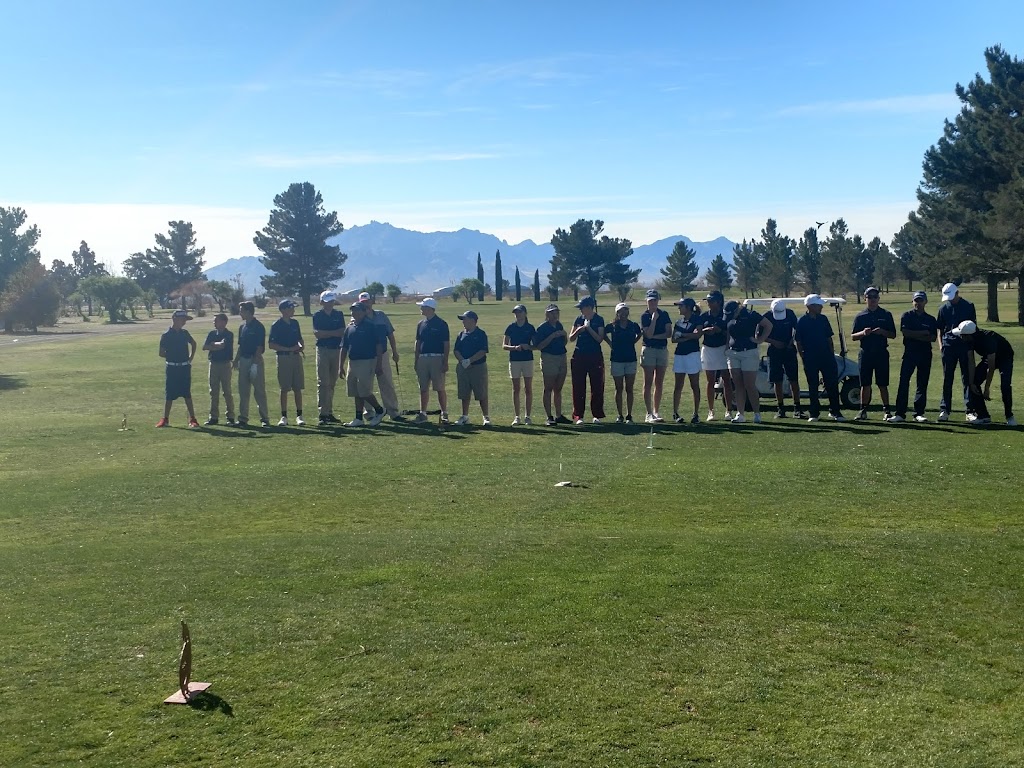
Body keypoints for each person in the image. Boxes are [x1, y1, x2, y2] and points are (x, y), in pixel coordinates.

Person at [952, 320, 1016, 426]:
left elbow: (991, 368)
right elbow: (971, 362)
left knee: (1005, 386)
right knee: (972, 382)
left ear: (969, 335)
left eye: (962, 335)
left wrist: (987, 389)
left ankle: (1010, 416)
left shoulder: (987, 340)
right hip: (989, 358)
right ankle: (983, 416)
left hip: (1005, 358)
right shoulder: (968, 341)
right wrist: (972, 383)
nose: (960, 337)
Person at [888, 291, 937, 423]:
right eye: (916, 300)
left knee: (922, 383)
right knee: (903, 382)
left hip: (925, 354)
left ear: (925, 302)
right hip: (910, 353)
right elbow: (906, 333)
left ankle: (918, 413)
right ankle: (900, 413)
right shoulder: (907, 316)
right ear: (912, 301)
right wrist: (923, 334)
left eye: (920, 300)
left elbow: (932, 337)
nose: (918, 303)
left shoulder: (931, 319)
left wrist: (919, 335)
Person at [795, 294, 845, 422]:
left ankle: (835, 411)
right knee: (813, 385)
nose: (821, 307)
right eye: (818, 305)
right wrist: (803, 357)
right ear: (810, 306)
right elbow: (798, 342)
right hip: (810, 357)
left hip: (826, 356)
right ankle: (814, 413)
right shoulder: (802, 321)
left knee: (832, 384)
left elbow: (829, 339)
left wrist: (831, 355)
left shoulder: (823, 319)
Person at [851, 286, 896, 420]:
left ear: (878, 299)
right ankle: (863, 410)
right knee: (865, 384)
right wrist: (863, 333)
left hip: (881, 353)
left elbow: (893, 334)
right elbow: (853, 336)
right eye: (869, 297)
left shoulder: (886, 314)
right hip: (866, 353)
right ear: (865, 299)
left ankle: (887, 410)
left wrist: (882, 332)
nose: (872, 300)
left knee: (883, 383)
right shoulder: (860, 316)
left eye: (875, 297)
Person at [724, 300, 773, 424]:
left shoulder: (751, 314)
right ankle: (740, 414)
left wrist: (760, 340)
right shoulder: (730, 318)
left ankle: (757, 413)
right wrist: (726, 346)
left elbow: (768, 325)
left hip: (749, 352)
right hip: (733, 352)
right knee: (738, 384)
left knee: (749, 385)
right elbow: (728, 332)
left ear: (737, 310)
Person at [338, 302, 386, 426]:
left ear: (364, 312)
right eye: (353, 310)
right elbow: (344, 347)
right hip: (352, 362)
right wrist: (340, 366)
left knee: (364, 391)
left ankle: (380, 410)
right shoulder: (349, 328)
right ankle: (358, 418)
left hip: (367, 361)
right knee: (355, 391)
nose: (355, 313)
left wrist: (379, 364)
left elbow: (379, 346)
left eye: (358, 310)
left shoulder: (371, 326)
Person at [936, 282, 976, 422]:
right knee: (948, 378)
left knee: (967, 378)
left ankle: (970, 410)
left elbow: (972, 328)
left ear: (957, 293)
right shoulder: (943, 308)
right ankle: (945, 409)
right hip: (948, 346)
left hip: (964, 346)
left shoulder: (968, 306)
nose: (950, 299)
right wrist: (941, 345)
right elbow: (940, 329)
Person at [358, 291, 401, 420]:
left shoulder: (381, 316)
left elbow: (390, 335)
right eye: (363, 303)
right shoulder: (358, 317)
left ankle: (392, 411)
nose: (366, 304)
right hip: (366, 356)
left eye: (367, 301)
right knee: (366, 385)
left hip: (382, 354)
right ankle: (369, 413)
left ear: (371, 301)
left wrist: (394, 351)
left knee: (386, 382)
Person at [156, 309, 199, 428]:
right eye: (182, 319)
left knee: (187, 393)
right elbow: (161, 352)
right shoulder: (166, 335)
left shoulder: (185, 333)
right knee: (169, 394)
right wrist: (172, 356)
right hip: (172, 367)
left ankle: (193, 419)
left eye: (185, 320)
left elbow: (194, 344)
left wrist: (190, 357)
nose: (184, 322)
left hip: (184, 367)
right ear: (175, 319)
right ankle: (165, 419)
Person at [764, 299, 805, 419]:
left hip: (789, 350)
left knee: (793, 379)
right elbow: (759, 335)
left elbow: (797, 330)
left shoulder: (790, 314)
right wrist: (774, 342)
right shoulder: (766, 316)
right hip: (774, 351)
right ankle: (780, 408)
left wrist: (791, 342)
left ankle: (797, 408)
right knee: (777, 380)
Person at [568, 296, 606, 424]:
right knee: (578, 386)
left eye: (582, 308)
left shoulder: (599, 320)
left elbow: (599, 339)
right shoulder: (579, 319)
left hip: (595, 355)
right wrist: (579, 330)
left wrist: (589, 328)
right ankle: (578, 415)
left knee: (597, 386)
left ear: (589, 307)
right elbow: (571, 338)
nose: (580, 310)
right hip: (579, 355)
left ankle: (597, 415)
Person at [268, 299, 305, 426]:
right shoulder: (276, 325)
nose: (293, 310)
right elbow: (271, 345)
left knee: (297, 387)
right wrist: (288, 349)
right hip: (283, 358)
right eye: (290, 308)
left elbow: (300, 339)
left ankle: (299, 415)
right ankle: (284, 416)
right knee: (284, 388)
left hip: (296, 357)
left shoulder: (295, 323)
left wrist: (301, 346)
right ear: (283, 310)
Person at [413, 297, 450, 424]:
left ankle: (444, 413)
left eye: (423, 307)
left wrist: (445, 361)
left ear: (430, 308)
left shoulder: (441, 324)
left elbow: (446, 344)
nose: (421, 309)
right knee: (423, 388)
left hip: (437, 357)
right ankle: (422, 413)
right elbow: (418, 342)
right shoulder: (420, 324)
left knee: (439, 387)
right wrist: (416, 358)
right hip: (423, 358)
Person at [312, 290, 346, 426]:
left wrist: (328, 334)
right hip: (323, 350)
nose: (329, 304)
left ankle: (329, 412)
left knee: (332, 382)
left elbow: (342, 332)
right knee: (323, 382)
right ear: (322, 302)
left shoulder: (338, 314)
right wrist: (333, 333)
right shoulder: (317, 315)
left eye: (331, 301)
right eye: (327, 301)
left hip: (336, 350)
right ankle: (323, 413)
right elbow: (318, 334)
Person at [234, 300, 270, 427]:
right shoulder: (242, 327)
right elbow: (240, 346)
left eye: (242, 311)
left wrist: (255, 364)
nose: (240, 313)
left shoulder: (258, 327)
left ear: (248, 312)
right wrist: (236, 360)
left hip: (255, 360)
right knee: (243, 390)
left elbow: (259, 347)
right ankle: (243, 418)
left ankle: (264, 418)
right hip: (244, 360)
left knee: (259, 391)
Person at [604, 302, 642, 423]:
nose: (624, 313)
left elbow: (640, 333)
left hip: (630, 359)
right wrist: (610, 343)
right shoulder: (612, 325)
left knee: (629, 389)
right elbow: (603, 333)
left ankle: (629, 415)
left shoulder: (633, 325)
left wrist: (633, 342)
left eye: (625, 311)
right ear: (617, 312)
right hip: (617, 359)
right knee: (619, 388)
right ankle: (620, 415)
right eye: (621, 311)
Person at [534, 303, 571, 426]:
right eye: (552, 313)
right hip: (549, 358)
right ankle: (549, 417)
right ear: (547, 314)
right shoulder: (542, 328)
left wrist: (564, 335)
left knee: (558, 389)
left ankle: (559, 415)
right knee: (548, 388)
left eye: (556, 312)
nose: (555, 315)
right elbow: (539, 346)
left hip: (561, 356)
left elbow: (563, 343)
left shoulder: (559, 325)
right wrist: (552, 336)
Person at [700, 290, 734, 421]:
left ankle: (729, 411)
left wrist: (721, 331)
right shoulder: (704, 316)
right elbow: (698, 330)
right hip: (708, 349)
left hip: (723, 349)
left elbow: (730, 331)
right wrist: (705, 331)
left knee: (726, 379)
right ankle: (711, 411)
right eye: (707, 301)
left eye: (711, 301)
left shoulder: (725, 315)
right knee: (710, 381)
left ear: (718, 302)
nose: (708, 303)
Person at [453, 309, 491, 425]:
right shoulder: (461, 334)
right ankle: (465, 416)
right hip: (463, 367)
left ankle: (486, 417)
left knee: (481, 393)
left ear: (473, 321)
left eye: (465, 319)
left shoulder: (481, 334)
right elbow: (456, 350)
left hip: (478, 367)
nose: (463, 322)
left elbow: (483, 350)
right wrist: (463, 361)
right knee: (464, 393)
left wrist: (469, 361)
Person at [640, 289, 672, 422]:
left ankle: (656, 411)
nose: (653, 303)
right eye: (650, 300)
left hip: (662, 349)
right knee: (648, 382)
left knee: (659, 382)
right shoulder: (645, 316)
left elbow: (669, 333)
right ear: (646, 301)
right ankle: (648, 413)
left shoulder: (664, 314)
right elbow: (648, 334)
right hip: (649, 349)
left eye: (655, 300)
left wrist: (655, 336)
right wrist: (653, 320)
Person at [670, 297, 703, 424]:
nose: (679, 308)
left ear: (688, 307)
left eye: (681, 306)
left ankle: (696, 414)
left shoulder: (697, 319)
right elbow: (674, 339)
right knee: (678, 385)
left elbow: (698, 335)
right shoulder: (679, 321)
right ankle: (675, 413)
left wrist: (683, 335)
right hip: (680, 355)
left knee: (694, 385)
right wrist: (689, 336)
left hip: (692, 354)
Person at [503, 304, 535, 425]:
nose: (517, 314)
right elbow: (504, 346)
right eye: (516, 312)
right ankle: (517, 416)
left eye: (520, 312)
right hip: (514, 360)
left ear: (525, 313)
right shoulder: (511, 327)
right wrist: (514, 348)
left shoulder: (530, 328)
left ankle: (528, 416)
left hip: (527, 359)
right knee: (516, 389)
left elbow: (536, 345)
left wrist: (529, 347)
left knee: (528, 388)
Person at [202, 312, 235, 426]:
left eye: (216, 320)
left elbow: (223, 346)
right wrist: (215, 345)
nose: (214, 323)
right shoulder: (211, 333)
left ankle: (230, 416)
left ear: (224, 322)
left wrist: (213, 345)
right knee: (213, 392)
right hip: (214, 364)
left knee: (227, 391)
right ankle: (213, 417)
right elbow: (205, 347)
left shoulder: (229, 334)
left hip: (225, 364)